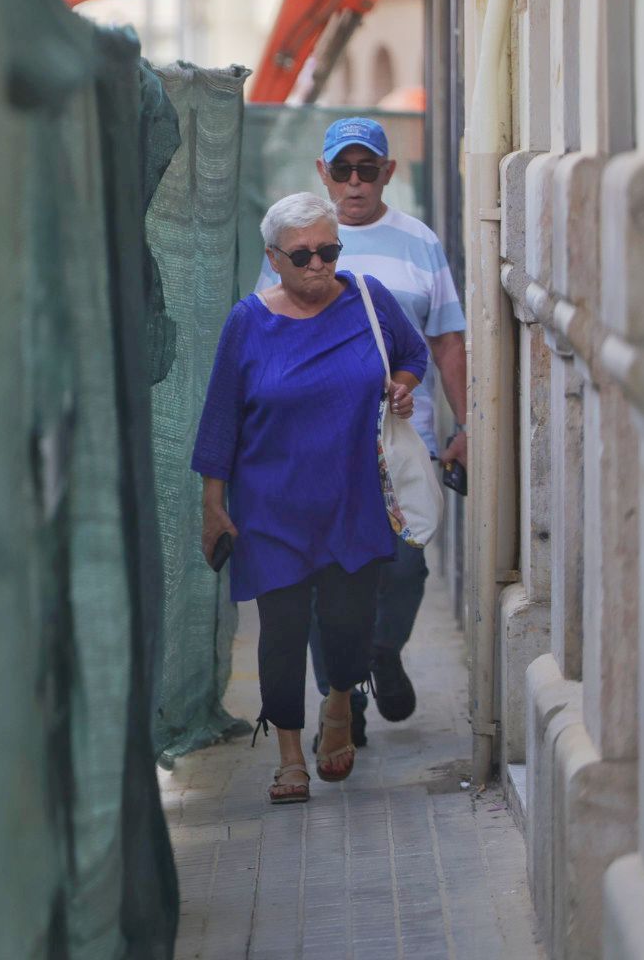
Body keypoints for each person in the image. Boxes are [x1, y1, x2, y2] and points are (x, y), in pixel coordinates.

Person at [195, 193, 427, 804]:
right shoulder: (248, 322)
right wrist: (213, 505)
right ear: (274, 258)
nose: (319, 265)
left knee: (350, 623)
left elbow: (412, 355)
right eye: (303, 256)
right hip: (271, 506)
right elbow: (220, 418)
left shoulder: (368, 299)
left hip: (353, 498)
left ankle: (340, 702)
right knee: (282, 629)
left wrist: (401, 389)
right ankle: (290, 757)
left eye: (329, 250)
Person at [254, 117, 468, 741]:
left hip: (401, 444)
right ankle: (339, 707)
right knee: (325, 581)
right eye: (342, 169)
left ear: (387, 173)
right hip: (316, 449)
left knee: (403, 568)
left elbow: (446, 342)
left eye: (366, 169)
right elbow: (267, 334)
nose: (354, 182)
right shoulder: (295, 239)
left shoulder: (420, 242)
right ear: (322, 172)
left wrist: (469, 425)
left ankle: (380, 651)